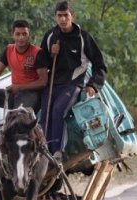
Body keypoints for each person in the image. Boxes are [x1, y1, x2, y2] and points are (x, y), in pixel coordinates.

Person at [40, 0, 107, 160]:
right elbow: (41, 64)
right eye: (59, 16)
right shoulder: (50, 36)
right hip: (52, 84)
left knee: (58, 111)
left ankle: (57, 152)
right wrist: (51, 54)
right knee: (44, 115)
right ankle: (43, 152)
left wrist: (93, 85)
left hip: (73, 84)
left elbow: (100, 65)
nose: (63, 19)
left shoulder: (83, 37)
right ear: (55, 17)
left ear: (72, 16)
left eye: (66, 15)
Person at [0, 20, 48, 141]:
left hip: (30, 95)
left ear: (29, 35)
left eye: (24, 34)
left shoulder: (37, 53)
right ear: (12, 35)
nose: (21, 37)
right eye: (18, 34)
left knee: (14, 120)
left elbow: (43, 82)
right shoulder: (8, 50)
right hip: (13, 94)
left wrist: (20, 87)